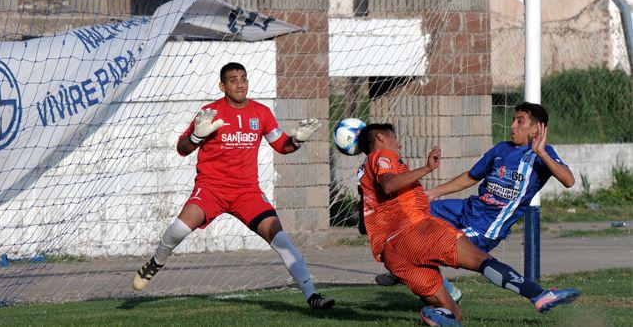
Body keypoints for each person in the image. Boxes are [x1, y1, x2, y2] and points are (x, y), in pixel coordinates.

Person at [132, 62, 335, 310]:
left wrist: (297, 140)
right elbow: (182, 149)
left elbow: (282, 145)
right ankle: (155, 262)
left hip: (246, 192)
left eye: (243, 78)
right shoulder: (209, 112)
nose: (240, 84)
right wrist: (197, 136)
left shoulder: (261, 113)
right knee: (178, 230)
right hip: (211, 189)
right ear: (222, 86)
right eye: (233, 80)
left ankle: (312, 296)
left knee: (281, 240)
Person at [357, 122, 579, 326]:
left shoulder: (363, 173)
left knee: (452, 312)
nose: (399, 145)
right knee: (482, 261)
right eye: (395, 139)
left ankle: (431, 314)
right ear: (381, 137)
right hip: (417, 231)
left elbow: (363, 224)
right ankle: (538, 295)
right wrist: (426, 169)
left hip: (392, 255)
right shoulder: (382, 155)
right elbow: (389, 184)